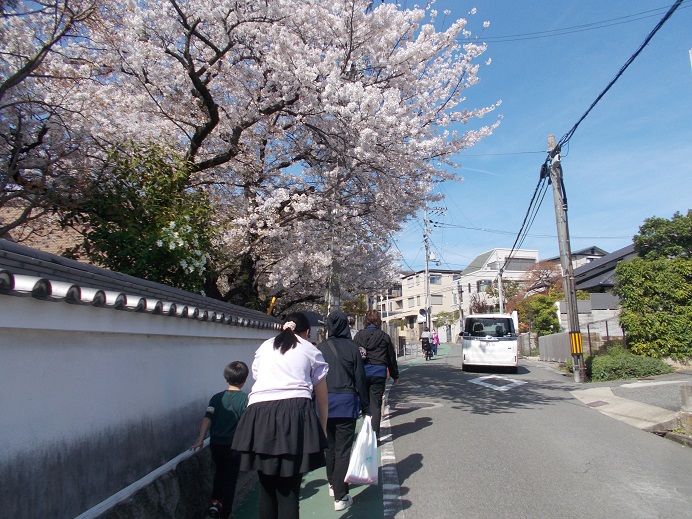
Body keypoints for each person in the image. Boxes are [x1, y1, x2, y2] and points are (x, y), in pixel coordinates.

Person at [231, 312, 328, 519]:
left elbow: (258, 376)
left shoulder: (264, 347)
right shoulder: (310, 349)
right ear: (307, 331)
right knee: (289, 490)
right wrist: (322, 429)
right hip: (294, 413)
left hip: (258, 413)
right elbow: (322, 397)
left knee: (266, 487)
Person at [317, 310, 371, 511]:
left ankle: (332, 483)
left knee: (329, 447)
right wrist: (366, 406)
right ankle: (341, 495)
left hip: (324, 403)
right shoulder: (352, 348)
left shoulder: (320, 348)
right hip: (347, 403)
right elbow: (360, 380)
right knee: (343, 450)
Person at [191, 361, 250, 519]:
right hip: (235, 446)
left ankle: (215, 505)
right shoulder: (246, 400)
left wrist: (200, 439)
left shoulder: (216, 398)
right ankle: (226, 513)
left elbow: (207, 418)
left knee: (219, 473)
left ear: (226, 379)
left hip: (216, 444)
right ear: (245, 379)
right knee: (231, 479)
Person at [353, 310, 400, 441]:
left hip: (362, 373)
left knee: (364, 403)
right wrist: (395, 375)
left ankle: (364, 433)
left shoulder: (358, 336)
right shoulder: (384, 336)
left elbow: (354, 355)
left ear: (366, 321)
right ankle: (374, 436)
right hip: (379, 372)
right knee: (376, 404)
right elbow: (391, 357)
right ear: (378, 321)